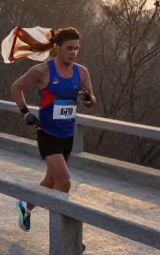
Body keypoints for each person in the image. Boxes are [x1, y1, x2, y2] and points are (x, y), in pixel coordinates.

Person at [8, 27, 96, 231]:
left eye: (77, 48)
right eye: (69, 48)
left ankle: (25, 206)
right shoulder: (43, 70)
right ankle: (63, 234)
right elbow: (16, 87)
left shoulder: (81, 72)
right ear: (58, 48)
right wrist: (25, 112)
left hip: (68, 135)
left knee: (50, 180)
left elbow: (93, 100)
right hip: (47, 133)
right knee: (64, 181)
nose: (73, 53)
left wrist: (87, 99)